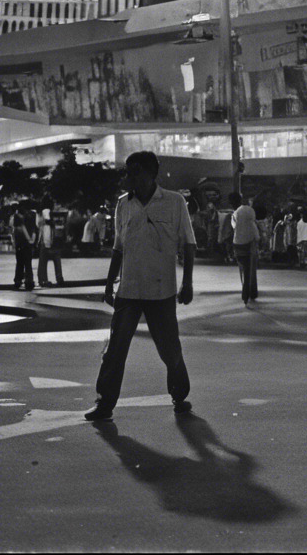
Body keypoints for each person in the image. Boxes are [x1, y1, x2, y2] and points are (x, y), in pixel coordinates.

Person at [85, 150, 194, 422]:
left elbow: (188, 244)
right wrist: (110, 283)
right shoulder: (123, 204)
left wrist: (187, 282)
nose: (127, 177)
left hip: (161, 290)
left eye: (132, 172)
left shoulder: (174, 201)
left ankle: (179, 395)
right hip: (129, 289)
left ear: (148, 174)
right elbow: (118, 247)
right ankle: (105, 402)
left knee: (169, 349)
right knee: (115, 349)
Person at [230, 191, 258, 305]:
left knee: (242, 268)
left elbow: (234, 227)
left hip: (237, 243)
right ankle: (248, 292)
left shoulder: (236, 213)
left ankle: (244, 290)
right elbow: (253, 226)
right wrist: (258, 238)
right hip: (249, 243)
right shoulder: (251, 211)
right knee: (249, 269)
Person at [36, 209, 64, 287]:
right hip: (54, 240)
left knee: (43, 262)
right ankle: (59, 278)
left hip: (46, 241)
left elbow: (38, 225)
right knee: (57, 260)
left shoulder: (42, 213)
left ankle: (43, 280)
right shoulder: (55, 213)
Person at [10, 211, 35, 291]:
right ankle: (29, 282)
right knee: (28, 265)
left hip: (18, 247)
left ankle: (17, 280)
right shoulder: (23, 227)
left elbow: (13, 238)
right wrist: (31, 240)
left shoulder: (15, 229)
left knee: (19, 264)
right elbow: (28, 237)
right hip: (26, 246)